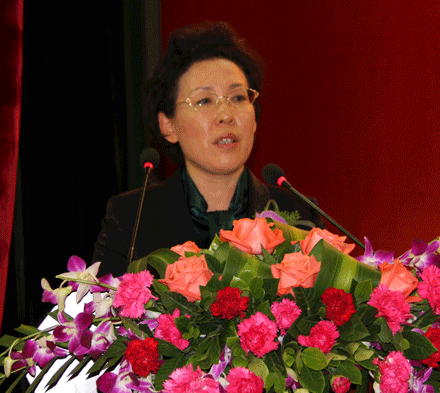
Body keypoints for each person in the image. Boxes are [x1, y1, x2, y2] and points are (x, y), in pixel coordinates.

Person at [93, 21, 323, 277]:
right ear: (168, 125)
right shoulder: (131, 219)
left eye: (238, 97)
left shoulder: (300, 214)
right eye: (204, 100)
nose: (226, 115)